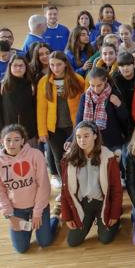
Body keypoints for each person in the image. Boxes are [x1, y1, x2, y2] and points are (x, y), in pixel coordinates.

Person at [60, 121, 122, 247]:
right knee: (73, 242)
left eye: (86, 136)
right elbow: (65, 190)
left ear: (95, 136)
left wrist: (114, 214)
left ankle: (111, 219)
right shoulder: (68, 159)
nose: (82, 140)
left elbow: (116, 189)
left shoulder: (108, 157)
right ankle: (89, 219)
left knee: (105, 239)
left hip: (102, 202)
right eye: (78, 137)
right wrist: (67, 216)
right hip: (83, 203)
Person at [0, 124, 60, 253]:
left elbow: (43, 185)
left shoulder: (35, 154)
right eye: (8, 140)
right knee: (21, 248)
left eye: (16, 139)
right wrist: (10, 215)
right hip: (17, 210)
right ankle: (29, 228)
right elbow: (1, 191)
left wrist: (37, 212)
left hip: (38, 206)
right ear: (1, 141)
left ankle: (55, 217)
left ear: (22, 141)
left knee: (45, 242)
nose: (12, 144)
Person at [37, 52, 85, 184]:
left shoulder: (78, 79)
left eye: (59, 64)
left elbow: (84, 104)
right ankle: (66, 187)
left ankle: (79, 185)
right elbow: (41, 109)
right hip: (54, 129)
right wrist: (42, 131)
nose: (55, 68)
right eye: (52, 65)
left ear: (65, 64)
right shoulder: (43, 82)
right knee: (59, 159)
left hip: (74, 126)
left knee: (77, 157)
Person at [75, 67, 129, 151]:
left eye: (99, 85)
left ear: (105, 81)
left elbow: (124, 117)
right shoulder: (85, 96)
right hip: (92, 143)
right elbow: (79, 121)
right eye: (92, 85)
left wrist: (119, 105)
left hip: (112, 142)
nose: (96, 89)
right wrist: (71, 140)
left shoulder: (114, 94)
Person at [0, 55, 37, 145]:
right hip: (8, 132)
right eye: (15, 65)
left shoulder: (31, 85)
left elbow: (35, 108)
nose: (18, 68)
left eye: (21, 66)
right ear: (10, 67)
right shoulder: (3, 86)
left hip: (29, 132)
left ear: (26, 67)